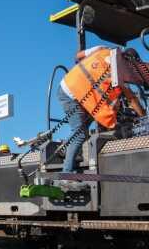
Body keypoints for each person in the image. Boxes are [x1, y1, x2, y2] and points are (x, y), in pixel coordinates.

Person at [58, 46, 146, 177]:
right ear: (129, 62)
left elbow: (78, 56)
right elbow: (132, 98)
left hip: (71, 86)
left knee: (86, 124)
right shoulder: (120, 71)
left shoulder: (101, 49)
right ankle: (66, 174)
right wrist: (144, 118)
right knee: (80, 134)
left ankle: (67, 149)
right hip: (70, 93)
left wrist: (88, 70)